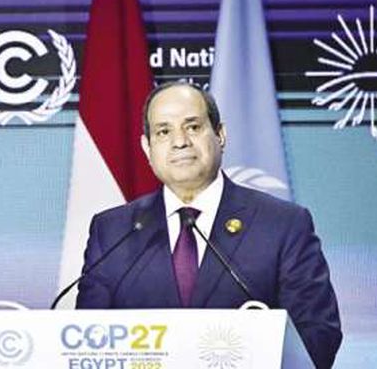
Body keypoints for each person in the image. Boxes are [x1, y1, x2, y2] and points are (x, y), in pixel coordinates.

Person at [76, 81, 342, 368]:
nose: (180, 141)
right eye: (163, 132)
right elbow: (87, 341)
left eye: (193, 127)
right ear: (147, 147)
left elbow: (317, 337)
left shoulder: (283, 225)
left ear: (220, 135)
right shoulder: (112, 231)